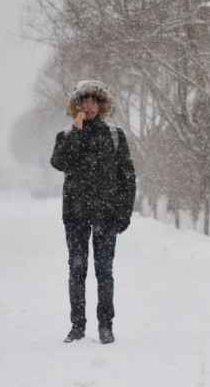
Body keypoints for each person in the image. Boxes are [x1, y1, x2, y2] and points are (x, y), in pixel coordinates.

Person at [51, 80, 136, 344]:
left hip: (106, 215)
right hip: (75, 215)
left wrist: (124, 212)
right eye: (83, 102)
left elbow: (127, 177)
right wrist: (77, 133)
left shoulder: (114, 135)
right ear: (76, 106)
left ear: (101, 105)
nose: (88, 107)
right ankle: (77, 326)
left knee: (104, 271)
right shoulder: (66, 136)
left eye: (93, 102)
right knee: (76, 271)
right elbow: (60, 163)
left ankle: (105, 326)